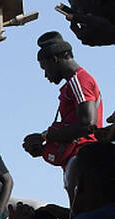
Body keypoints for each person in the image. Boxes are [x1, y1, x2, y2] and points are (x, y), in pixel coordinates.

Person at [23, 31, 103, 171]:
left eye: (45, 68)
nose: (45, 75)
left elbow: (88, 125)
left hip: (85, 159)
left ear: (55, 60)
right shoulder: (73, 84)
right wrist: (43, 143)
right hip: (81, 160)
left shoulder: (79, 80)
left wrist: (46, 136)